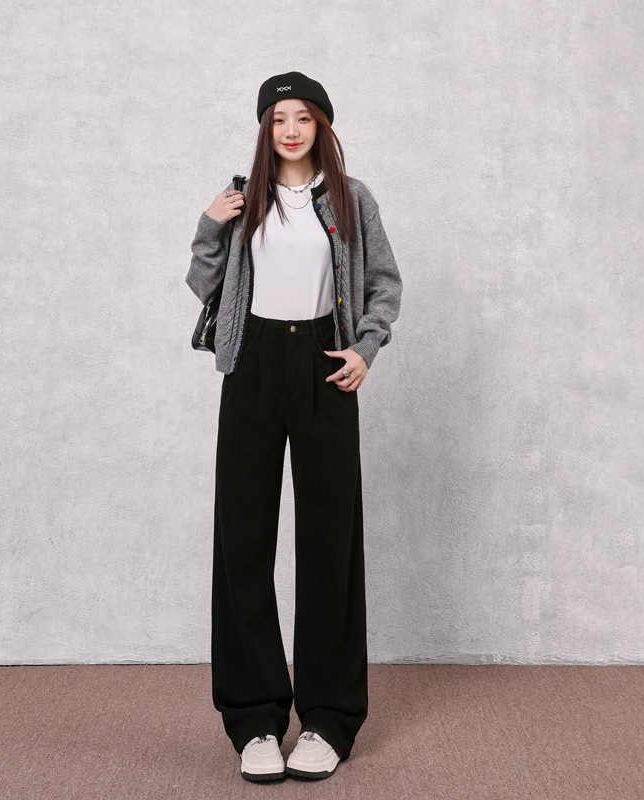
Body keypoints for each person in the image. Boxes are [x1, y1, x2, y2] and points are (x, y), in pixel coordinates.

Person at [186, 71, 403, 782]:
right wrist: (210, 225)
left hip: (323, 361)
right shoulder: (242, 197)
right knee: (243, 539)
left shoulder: (350, 198)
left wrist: (365, 348)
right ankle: (253, 719)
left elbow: (383, 283)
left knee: (330, 541)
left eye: (303, 117)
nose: (289, 130)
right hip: (252, 362)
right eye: (278, 117)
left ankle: (328, 719)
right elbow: (205, 286)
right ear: (264, 127)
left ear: (321, 126)